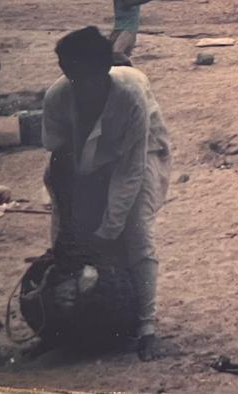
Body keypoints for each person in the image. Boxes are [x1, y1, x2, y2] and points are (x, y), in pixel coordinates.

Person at [41, 27, 171, 360]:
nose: (76, 85)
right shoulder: (58, 96)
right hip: (83, 161)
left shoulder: (130, 98)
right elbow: (61, 161)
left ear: (103, 70)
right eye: (69, 75)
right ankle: (58, 325)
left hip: (140, 153)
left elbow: (130, 171)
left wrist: (108, 230)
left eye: (82, 77)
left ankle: (147, 327)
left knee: (137, 233)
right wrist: (71, 227)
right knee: (64, 236)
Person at [98, 0, 156, 65]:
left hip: (130, 25)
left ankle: (131, 69)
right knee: (109, 53)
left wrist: (133, 3)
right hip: (118, 24)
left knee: (117, 51)